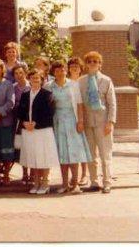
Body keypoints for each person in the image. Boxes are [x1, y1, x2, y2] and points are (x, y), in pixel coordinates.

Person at [49, 60, 91, 194]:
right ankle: (64, 184)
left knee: (74, 151)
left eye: (62, 69)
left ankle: (75, 184)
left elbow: (79, 104)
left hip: (72, 120)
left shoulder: (73, 85)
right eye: (57, 70)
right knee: (62, 152)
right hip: (58, 120)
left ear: (66, 70)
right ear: (53, 72)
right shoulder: (49, 86)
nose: (60, 72)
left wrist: (80, 121)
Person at [17, 67, 58, 194]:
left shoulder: (47, 95)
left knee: (44, 157)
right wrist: (24, 123)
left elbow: (50, 113)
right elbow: (20, 112)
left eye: (37, 78)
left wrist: (36, 123)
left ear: (41, 80)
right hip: (28, 130)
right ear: (29, 79)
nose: (35, 80)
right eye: (32, 78)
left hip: (42, 131)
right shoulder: (25, 95)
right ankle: (36, 183)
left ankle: (45, 184)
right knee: (32, 156)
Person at [80, 50, 116, 194]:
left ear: (100, 64)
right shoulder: (81, 81)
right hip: (88, 122)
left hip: (103, 122)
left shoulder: (106, 80)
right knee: (90, 155)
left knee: (105, 154)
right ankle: (94, 182)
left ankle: (107, 182)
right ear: (86, 64)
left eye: (95, 61)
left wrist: (110, 122)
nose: (92, 64)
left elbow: (112, 103)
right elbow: (79, 103)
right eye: (89, 61)